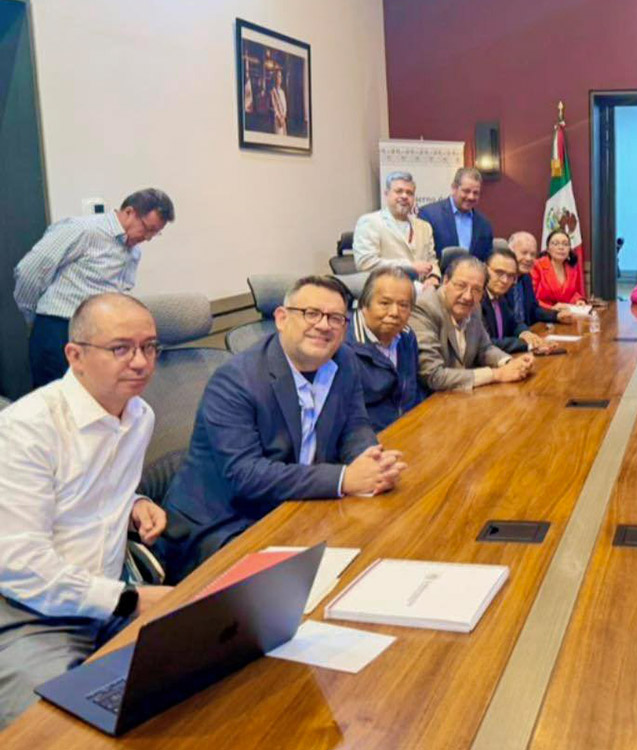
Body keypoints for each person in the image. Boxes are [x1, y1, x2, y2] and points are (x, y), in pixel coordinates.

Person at [157, 276, 404, 581]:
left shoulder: (344, 360)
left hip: (296, 504)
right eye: (311, 313)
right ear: (282, 319)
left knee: (381, 551)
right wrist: (344, 478)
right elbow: (246, 475)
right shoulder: (235, 380)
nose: (324, 325)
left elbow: (355, 424)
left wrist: (369, 460)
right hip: (227, 522)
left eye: (335, 318)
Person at [0, 293, 170, 728]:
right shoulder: (25, 430)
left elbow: (91, 490)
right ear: (75, 356)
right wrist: (128, 600)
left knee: (204, 676)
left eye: (149, 347)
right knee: (55, 731)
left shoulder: (139, 415)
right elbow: (19, 565)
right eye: (121, 348)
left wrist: (135, 504)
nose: (140, 362)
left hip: (109, 599)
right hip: (33, 613)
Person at [15, 188, 175, 388]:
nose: (148, 237)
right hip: (60, 330)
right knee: (59, 403)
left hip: (102, 338)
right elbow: (29, 271)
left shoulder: (133, 252)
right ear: (130, 212)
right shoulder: (81, 230)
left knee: (98, 400)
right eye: (147, 228)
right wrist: (33, 316)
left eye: (155, 233)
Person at [410, 255, 534, 391]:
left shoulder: (475, 307)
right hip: (431, 399)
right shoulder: (424, 309)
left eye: (476, 290)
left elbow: (484, 348)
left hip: (461, 396)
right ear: (445, 281)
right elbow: (433, 375)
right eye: (461, 286)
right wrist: (496, 374)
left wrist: (509, 362)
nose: (468, 296)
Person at [346, 267, 426, 432]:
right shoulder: (345, 344)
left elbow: (411, 392)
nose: (394, 312)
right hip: (369, 438)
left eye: (403, 305)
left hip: (408, 428)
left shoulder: (407, 336)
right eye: (384, 303)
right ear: (364, 304)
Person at [352, 171, 440, 286]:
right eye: (399, 191)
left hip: (422, 291)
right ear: (386, 194)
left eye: (409, 193)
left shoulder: (424, 227)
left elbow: (431, 260)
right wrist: (409, 267)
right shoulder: (370, 222)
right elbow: (365, 263)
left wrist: (433, 276)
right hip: (386, 289)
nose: (404, 196)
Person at [481, 248, 558, 354]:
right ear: (484, 269)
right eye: (499, 273)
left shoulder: (500, 297)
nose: (505, 280)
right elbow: (485, 343)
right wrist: (528, 344)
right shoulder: (476, 300)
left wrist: (525, 334)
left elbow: (514, 323)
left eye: (510, 276)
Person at [419, 167, 495, 261]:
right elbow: (422, 255)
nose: (471, 197)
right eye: (466, 191)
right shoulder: (429, 215)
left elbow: (487, 259)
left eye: (476, 193)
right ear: (454, 188)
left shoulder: (484, 224)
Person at [507, 231, 571, 325]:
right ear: (510, 253)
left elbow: (534, 310)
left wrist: (556, 316)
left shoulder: (526, 278)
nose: (529, 258)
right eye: (524, 253)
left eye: (532, 254)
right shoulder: (502, 281)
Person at [531, 229, 587, 310]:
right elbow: (530, 298)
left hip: (566, 314)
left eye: (565, 244)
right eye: (556, 243)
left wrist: (578, 301)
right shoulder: (537, 266)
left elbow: (573, 294)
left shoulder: (572, 270)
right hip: (542, 314)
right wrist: (551, 308)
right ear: (548, 249)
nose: (561, 247)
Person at [269, 68, 287, 135]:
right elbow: (274, 107)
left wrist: (283, 116)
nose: (278, 78)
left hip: (283, 119)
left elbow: (285, 106)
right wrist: (279, 118)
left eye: (280, 76)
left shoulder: (282, 92)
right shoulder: (273, 92)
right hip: (277, 120)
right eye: (277, 76)